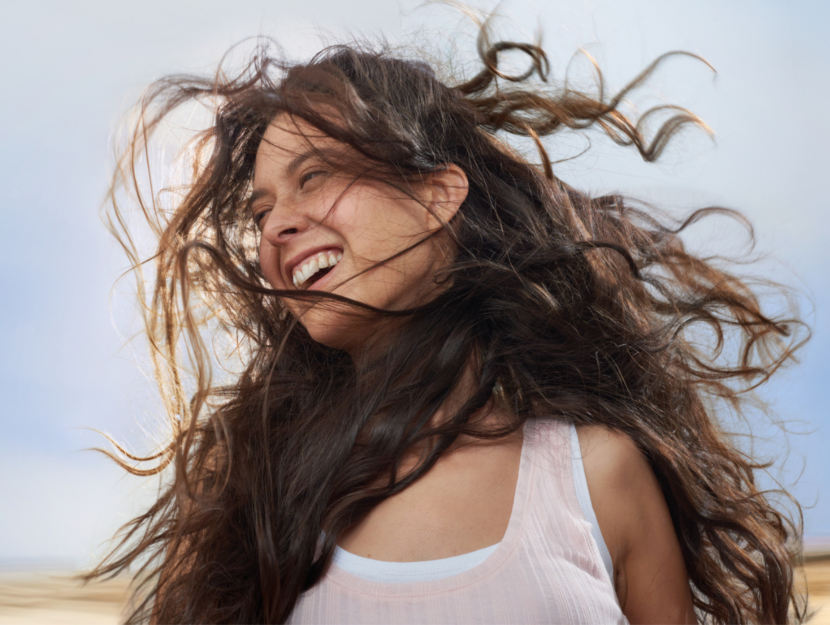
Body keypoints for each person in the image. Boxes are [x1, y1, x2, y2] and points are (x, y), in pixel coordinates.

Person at [87, 24, 808, 625]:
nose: (277, 224)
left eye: (315, 175)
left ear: (438, 196)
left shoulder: (598, 475)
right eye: (260, 210)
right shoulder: (250, 486)